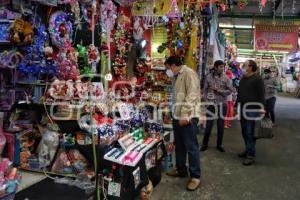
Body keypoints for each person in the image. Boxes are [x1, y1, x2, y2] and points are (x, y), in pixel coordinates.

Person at [164, 55, 201, 191]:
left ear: (173, 65)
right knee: (179, 145)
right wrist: (170, 112)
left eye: (168, 68)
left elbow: (192, 95)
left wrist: (185, 115)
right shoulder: (176, 76)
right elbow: (175, 96)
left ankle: (195, 176)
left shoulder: (189, 73)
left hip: (188, 117)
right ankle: (181, 169)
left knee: (191, 147)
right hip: (177, 116)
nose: (168, 71)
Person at [201, 60, 235, 152]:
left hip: (222, 105)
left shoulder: (226, 78)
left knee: (220, 126)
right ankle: (205, 144)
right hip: (211, 105)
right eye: (220, 67)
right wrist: (205, 100)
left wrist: (219, 91)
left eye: (223, 67)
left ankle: (219, 144)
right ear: (215, 67)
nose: (222, 69)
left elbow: (231, 90)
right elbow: (204, 90)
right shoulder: (208, 77)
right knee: (208, 125)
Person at [236, 60, 265, 166]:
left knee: (250, 132)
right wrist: (236, 105)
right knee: (244, 131)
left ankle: (250, 155)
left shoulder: (258, 79)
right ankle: (248, 149)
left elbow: (262, 94)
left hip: (253, 109)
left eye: (245, 65)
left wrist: (263, 108)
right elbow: (240, 93)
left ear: (251, 67)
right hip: (243, 108)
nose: (243, 66)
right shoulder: (243, 78)